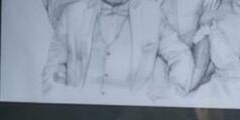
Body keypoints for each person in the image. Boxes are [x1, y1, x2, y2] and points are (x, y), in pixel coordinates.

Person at [41, 0, 195, 97]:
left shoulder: (152, 13)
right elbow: (53, 67)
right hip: (80, 117)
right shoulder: (73, 13)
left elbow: (181, 55)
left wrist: (170, 98)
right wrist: (60, 104)